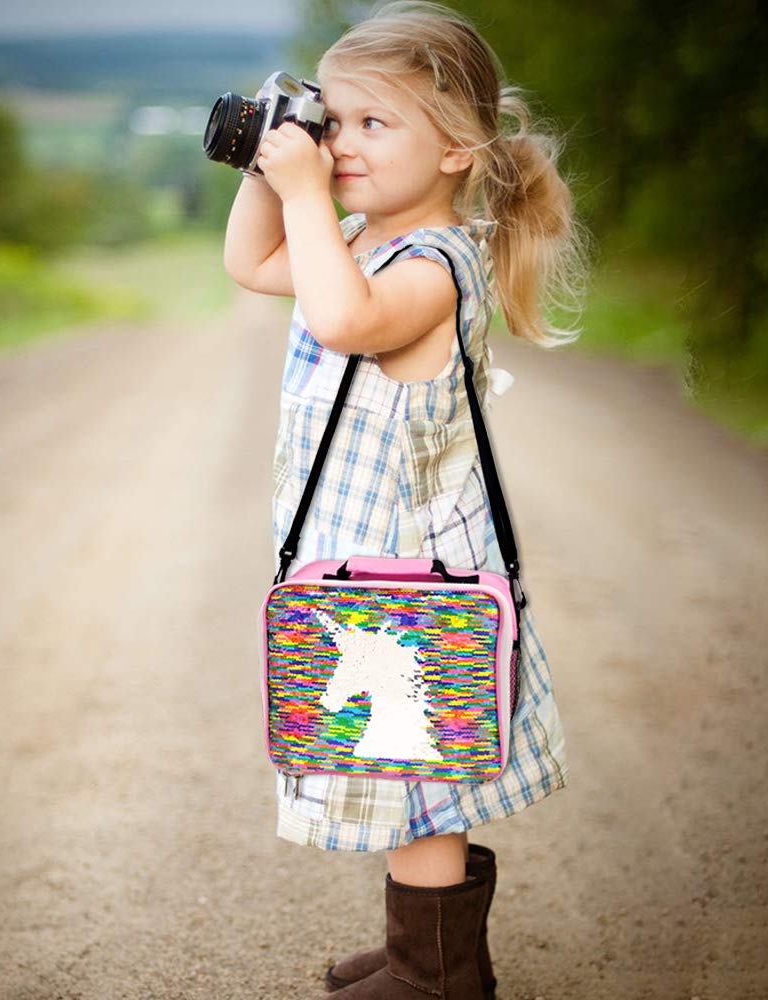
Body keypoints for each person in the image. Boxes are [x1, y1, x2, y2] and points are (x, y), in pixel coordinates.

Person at [223, 3, 589, 997]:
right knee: (398, 766)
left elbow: (341, 319)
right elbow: (253, 265)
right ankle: (429, 954)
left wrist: (305, 190)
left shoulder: (435, 265)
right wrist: (269, 172)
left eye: (372, 125)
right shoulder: (358, 239)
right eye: (329, 121)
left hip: (416, 570)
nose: (338, 146)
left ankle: (433, 979)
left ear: (457, 150)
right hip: (369, 559)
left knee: (419, 781)